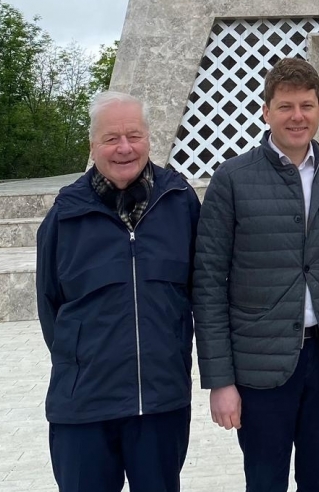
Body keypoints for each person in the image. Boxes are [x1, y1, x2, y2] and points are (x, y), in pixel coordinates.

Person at [193, 57, 319, 492]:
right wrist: (220, 381)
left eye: (306, 105)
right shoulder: (232, 179)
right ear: (266, 110)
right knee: (265, 482)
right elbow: (209, 283)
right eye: (286, 106)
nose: (297, 116)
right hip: (260, 367)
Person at [35, 91, 200, 492]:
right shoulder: (65, 215)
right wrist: (83, 362)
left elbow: (201, 292)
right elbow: (49, 305)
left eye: (134, 136)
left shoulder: (180, 203)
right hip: (83, 408)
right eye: (111, 138)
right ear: (93, 146)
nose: (124, 148)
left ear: (148, 138)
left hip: (160, 404)